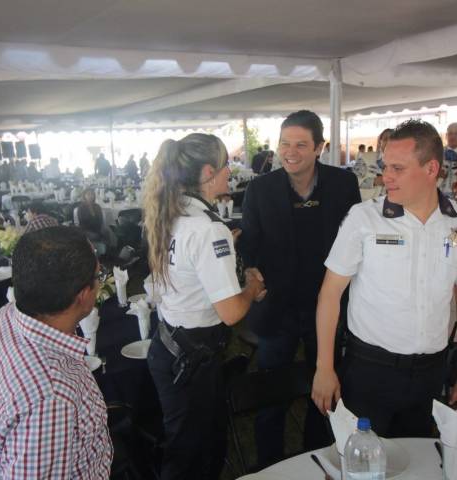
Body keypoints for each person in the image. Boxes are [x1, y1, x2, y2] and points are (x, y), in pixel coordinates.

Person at [312, 120, 457, 438]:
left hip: (430, 372)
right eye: (385, 166)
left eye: (397, 168)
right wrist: (325, 367)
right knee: (361, 458)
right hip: (370, 369)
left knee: (418, 457)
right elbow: (330, 294)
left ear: (431, 168)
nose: (386, 176)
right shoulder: (364, 218)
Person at [238, 110, 360, 466]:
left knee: (325, 392)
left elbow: (355, 239)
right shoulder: (260, 189)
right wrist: (250, 270)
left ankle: (316, 460)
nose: (290, 152)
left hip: (328, 306)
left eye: (301, 145)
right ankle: (269, 466)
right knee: (271, 394)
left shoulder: (343, 184)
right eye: (284, 144)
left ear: (320, 147)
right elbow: (250, 244)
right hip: (278, 307)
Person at [143, 133, 266, 480]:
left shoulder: (171, 211)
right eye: (227, 166)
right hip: (193, 360)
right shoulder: (208, 229)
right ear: (209, 172)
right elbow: (232, 312)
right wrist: (251, 287)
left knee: (184, 447)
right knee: (195, 457)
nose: (231, 173)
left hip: (170, 346)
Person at [0, 226, 113, 478]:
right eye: (98, 275)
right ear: (83, 295)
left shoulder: (5, 316)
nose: (100, 281)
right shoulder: (51, 400)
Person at [74, 188, 116, 254]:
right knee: (95, 236)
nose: (91, 196)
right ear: (84, 196)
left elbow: (100, 220)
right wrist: (94, 230)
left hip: (97, 228)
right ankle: (96, 252)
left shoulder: (97, 206)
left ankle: (107, 252)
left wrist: (100, 229)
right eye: (88, 194)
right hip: (86, 230)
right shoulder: (81, 208)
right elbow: (82, 223)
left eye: (92, 194)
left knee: (106, 232)